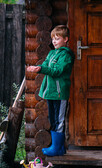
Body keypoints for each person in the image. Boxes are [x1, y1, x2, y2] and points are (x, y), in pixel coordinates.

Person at [27, 25, 75, 156]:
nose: (54, 41)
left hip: (59, 93)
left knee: (59, 120)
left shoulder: (66, 55)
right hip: (51, 92)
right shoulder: (52, 53)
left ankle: (57, 148)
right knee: (53, 118)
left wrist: (41, 69)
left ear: (65, 39)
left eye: (57, 38)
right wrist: (38, 67)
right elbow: (45, 65)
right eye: (53, 38)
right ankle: (58, 148)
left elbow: (57, 71)